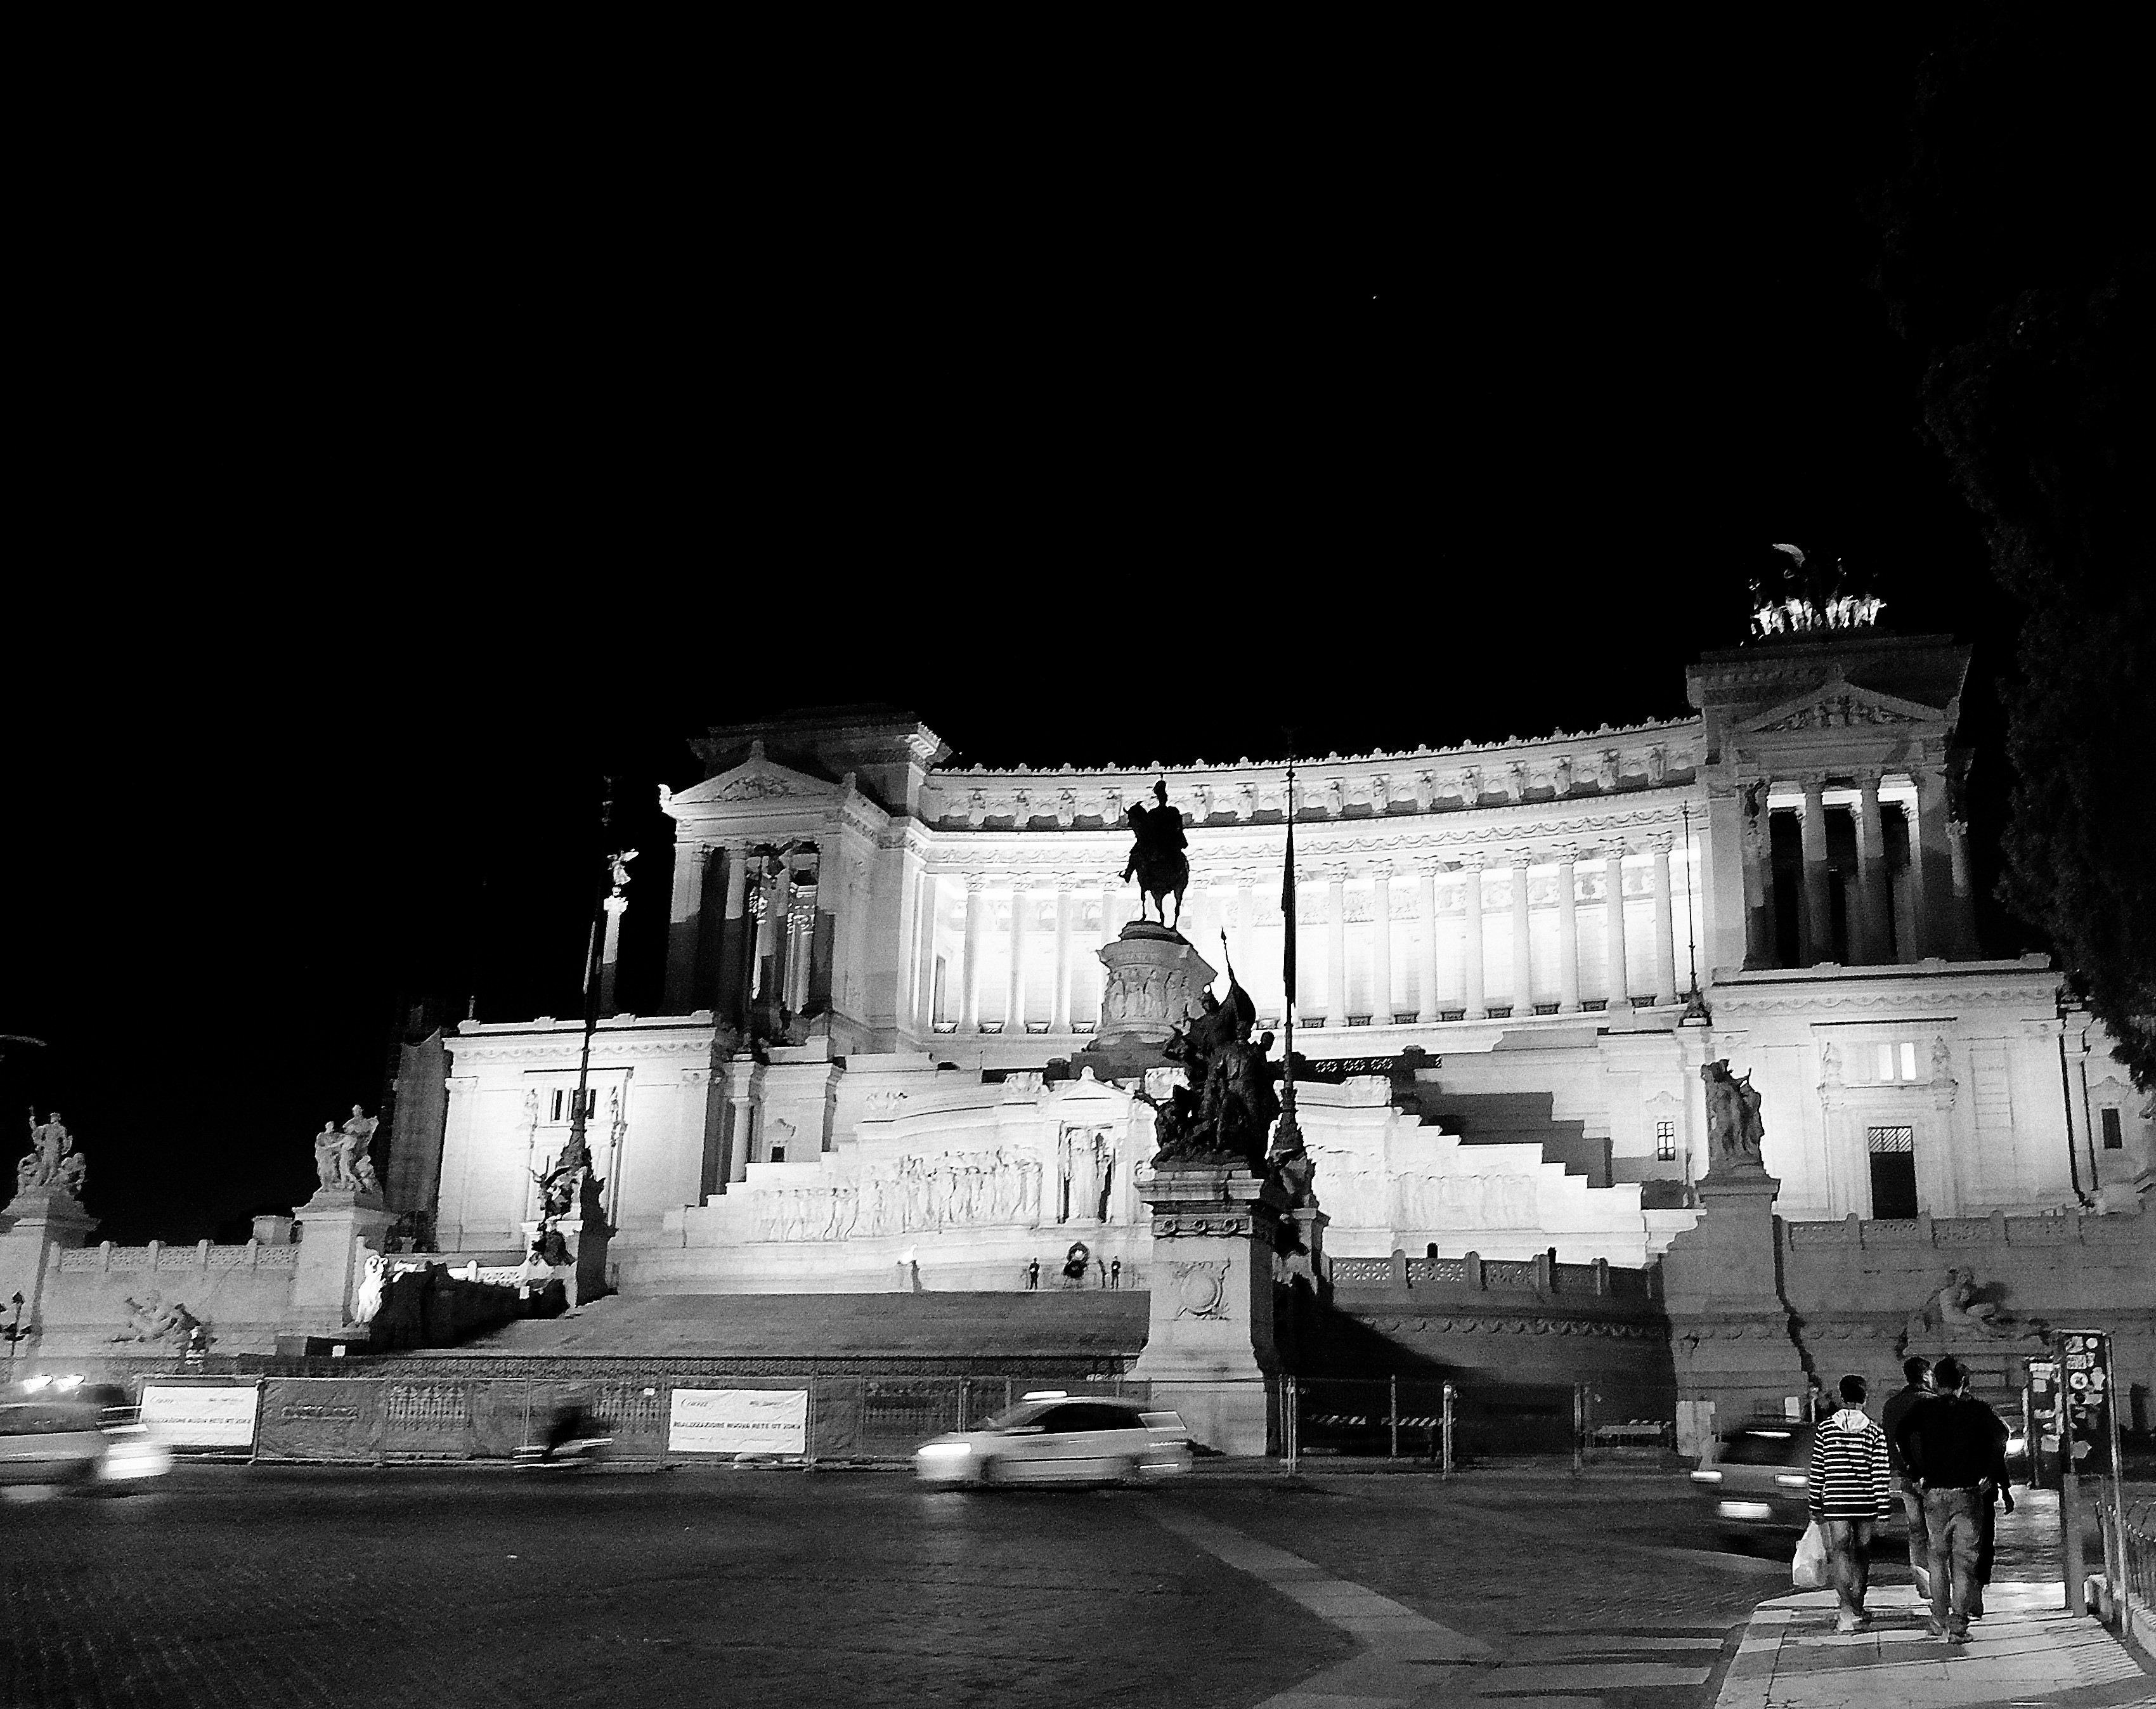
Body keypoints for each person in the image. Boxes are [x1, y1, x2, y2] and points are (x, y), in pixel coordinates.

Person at [1899, 1355, 2010, 1642]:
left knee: (1937, 1558)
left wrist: (1915, 1471)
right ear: (1962, 1383)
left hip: (1934, 1493)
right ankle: (1959, 1625)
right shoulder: (1978, 1410)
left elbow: (1901, 1434)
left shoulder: (1924, 1409)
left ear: (1936, 1382)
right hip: (1968, 1494)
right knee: (1964, 1561)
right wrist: (1989, 1473)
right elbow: (2002, 1434)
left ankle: (1939, 1618)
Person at [1805, 1373, 1894, 1633]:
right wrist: (1884, 1510)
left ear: (1842, 1398)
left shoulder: (1826, 1430)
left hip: (1836, 1503)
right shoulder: (1874, 1431)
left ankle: (1845, 1610)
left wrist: (1815, 1504)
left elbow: (1818, 1470)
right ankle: (1859, 1604)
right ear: (1865, 1399)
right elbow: (1880, 1474)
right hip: (1866, 1503)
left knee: (1840, 1552)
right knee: (1862, 1554)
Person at [1880, 1356, 1935, 1599]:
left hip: (1907, 1478)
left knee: (1916, 1531)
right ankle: (1938, 1582)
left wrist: (1905, 1469)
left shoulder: (1892, 1405)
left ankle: (1922, 1576)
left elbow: (1890, 1443)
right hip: (1934, 1479)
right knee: (1938, 1531)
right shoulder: (1934, 1403)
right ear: (1924, 1376)